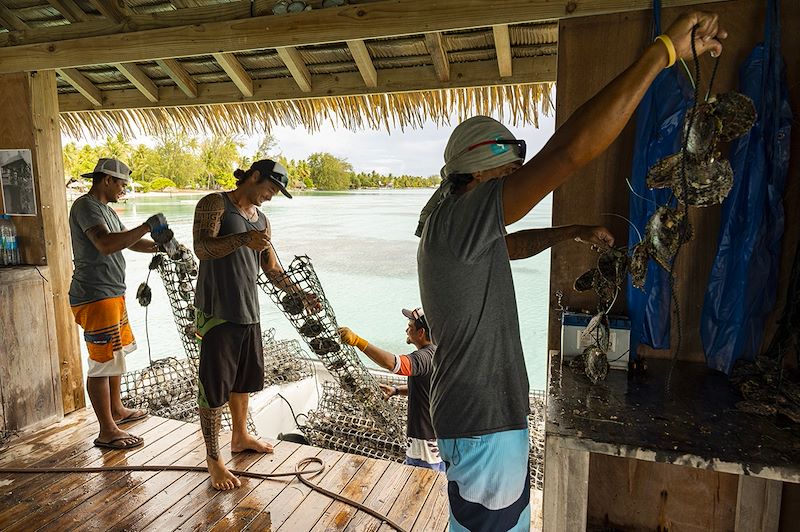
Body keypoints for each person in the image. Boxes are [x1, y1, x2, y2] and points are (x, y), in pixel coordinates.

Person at [415, 12, 727, 532]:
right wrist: (662, 54)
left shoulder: (450, 218)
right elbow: (569, 151)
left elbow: (507, 247)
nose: (519, 174)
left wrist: (567, 232)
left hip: (476, 418)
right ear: (477, 166)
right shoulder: (463, 208)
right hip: (484, 422)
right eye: (510, 166)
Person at [192, 158, 319, 491]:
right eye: (270, 187)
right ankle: (213, 460)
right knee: (213, 388)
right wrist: (242, 239)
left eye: (277, 192)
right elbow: (202, 248)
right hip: (217, 311)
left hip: (249, 312)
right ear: (253, 176)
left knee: (243, 382)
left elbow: (272, 270)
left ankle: (240, 436)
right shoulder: (214, 204)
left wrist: (301, 293)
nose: (272, 195)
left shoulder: (261, 221)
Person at [69, 157, 166, 450]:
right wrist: (147, 225)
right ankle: (106, 431)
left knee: (115, 355)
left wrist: (160, 246)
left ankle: (117, 410)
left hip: (112, 292)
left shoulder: (106, 211)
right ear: (106, 180)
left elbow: (129, 242)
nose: (123, 189)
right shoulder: (85, 206)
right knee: (102, 362)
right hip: (95, 294)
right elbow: (106, 244)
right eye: (121, 184)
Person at [339, 307, 443, 471]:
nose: (406, 329)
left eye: (410, 326)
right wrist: (396, 390)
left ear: (421, 332)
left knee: (419, 489)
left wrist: (358, 341)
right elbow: (430, 388)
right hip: (438, 440)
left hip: (424, 446)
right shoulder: (438, 353)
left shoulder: (423, 356)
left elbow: (394, 364)